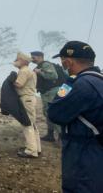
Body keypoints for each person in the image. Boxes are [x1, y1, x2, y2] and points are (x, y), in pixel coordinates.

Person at [48, 41, 103, 193]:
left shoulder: (81, 84)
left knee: (79, 187)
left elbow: (55, 112)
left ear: (68, 62)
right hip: (97, 150)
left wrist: (69, 81)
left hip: (83, 152)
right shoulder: (99, 80)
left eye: (62, 61)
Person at [13, 52, 41, 158]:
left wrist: (11, 81)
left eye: (18, 59)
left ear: (24, 61)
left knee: (27, 124)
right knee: (32, 124)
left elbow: (19, 84)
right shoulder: (30, 71)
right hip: (30, 99)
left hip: (26, 99)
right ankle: (37, 148)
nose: (16, 60)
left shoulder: (24, 71)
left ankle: (31, 150)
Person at [30, 51, 62, 142]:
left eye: (33, 57)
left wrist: (40, 72)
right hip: (46, 93)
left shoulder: (45, 65)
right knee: (47, 113)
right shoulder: (39, 66)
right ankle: (50, 135)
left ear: (40, 57)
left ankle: (61, 135)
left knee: (51, 113)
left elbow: (53, 76)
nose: (32, 59)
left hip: (51, 92)